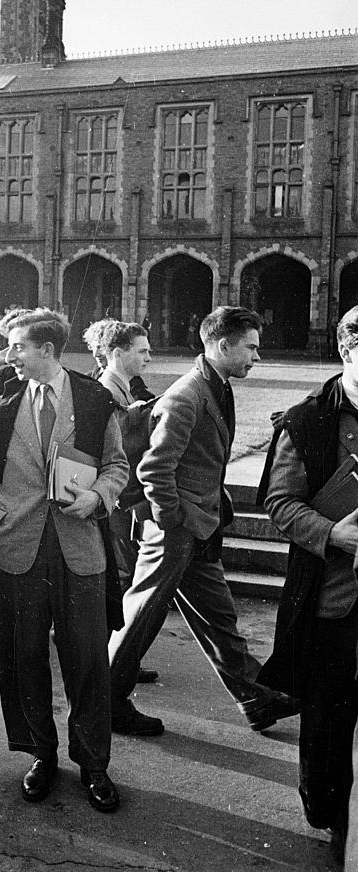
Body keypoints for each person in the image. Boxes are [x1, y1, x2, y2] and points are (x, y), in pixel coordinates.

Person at [108, 306, 301, 737]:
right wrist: (175, 524)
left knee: (219, 616)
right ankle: (104, 703)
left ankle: (254, 697)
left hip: (199, 526)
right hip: (176, 530)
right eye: (250, 347)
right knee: (140, 618)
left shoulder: (216, 386)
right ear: (223, 345)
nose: (256, 356)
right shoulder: (187, 394)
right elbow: (154, 471)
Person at [0, 308, 129, 812]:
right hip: (17, 548)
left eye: (18, 346)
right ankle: (41, 754)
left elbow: (116, 465)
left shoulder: (93, 399)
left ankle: (94, 764)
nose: (9, 355)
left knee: (86, 658)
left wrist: (99, 499)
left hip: (79, 548)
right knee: (22, 658)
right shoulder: (0, 405)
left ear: (46, 349)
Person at [258, 305, 358, 866]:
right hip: (331, 598)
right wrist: (332, 535)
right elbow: (278, 503)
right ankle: (326, 807)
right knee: (328, 713)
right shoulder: (307, 419)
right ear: (347, 351)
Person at [98, 321, 159, 689]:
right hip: (122, 496)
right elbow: (117, 441)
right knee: (123, 575)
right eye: (142, 350)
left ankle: (120, 656)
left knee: (127, 574)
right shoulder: (109, 388)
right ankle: (115, 659)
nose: (149, 357)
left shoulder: (122, 387)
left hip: (126, 494)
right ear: (119, 353)